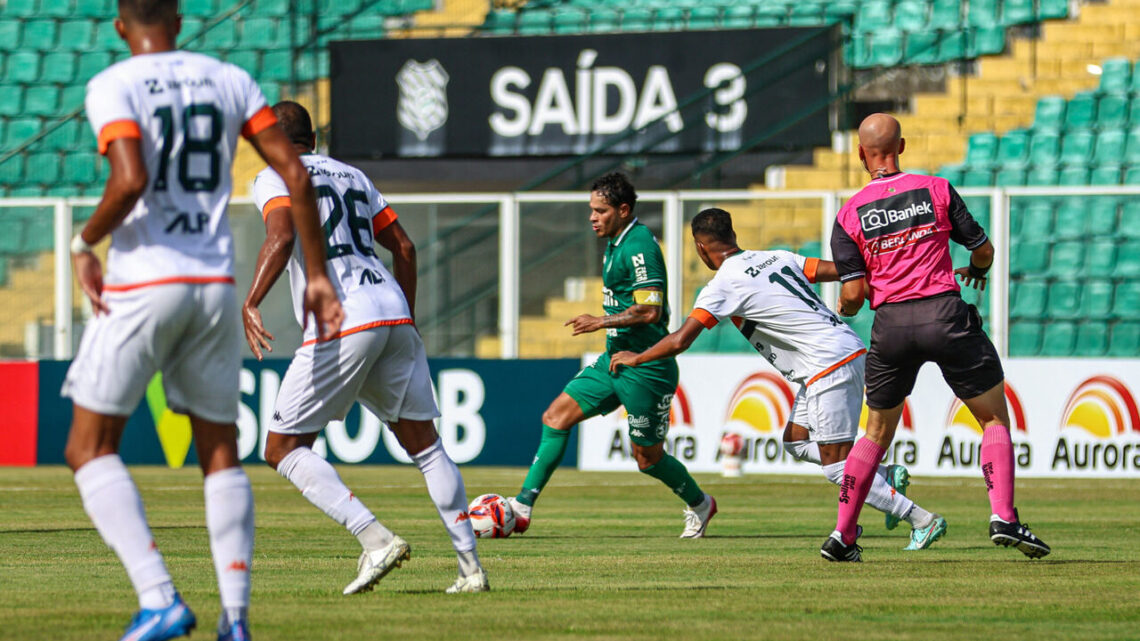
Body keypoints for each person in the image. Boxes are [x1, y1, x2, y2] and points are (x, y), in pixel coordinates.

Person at [61, 2, 344, 640]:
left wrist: (85, 244)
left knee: (88, 445)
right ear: (181, 20)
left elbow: (129, 179)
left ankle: (159, 597)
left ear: (119, 25)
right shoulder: (229, 79)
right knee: (220, 452)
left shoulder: (114, 84)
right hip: (213, 285)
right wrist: (318, 274)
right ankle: (236, 619)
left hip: (145, 281)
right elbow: (294, 172)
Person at [244, 101, 487, 595]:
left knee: (282, 447)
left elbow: (283, 232)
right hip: (391, 307)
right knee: (426, 445)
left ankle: (374, 539)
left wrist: (252, 300)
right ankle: (471, 570)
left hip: (345, 316)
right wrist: (409, 320)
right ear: (313, 137)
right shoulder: (354, 175)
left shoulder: (275, 174)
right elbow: (404, 247)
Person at [609, 208, 946, 550]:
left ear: (699, 247)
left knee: (836, 467)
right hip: (841, 352)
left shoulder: (722, 284)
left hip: (827, 364)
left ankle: (921, 519)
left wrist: (637, 357)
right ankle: (884, 477)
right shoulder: (776, 257)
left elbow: (681, 339)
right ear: (733, 235)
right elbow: (839, 270)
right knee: (796, 441)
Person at [821, 113, 1050, 562]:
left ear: (862, 155)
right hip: (944, 315)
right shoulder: (936, 189)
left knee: (874, 435)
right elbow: (981, 250)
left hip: (890, 327)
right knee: (992, 420)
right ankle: (1003, 516)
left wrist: (847, 308)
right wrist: (979, 271)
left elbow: (852, 293)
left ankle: (842, 536)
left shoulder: (848, 214)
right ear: (901, 147)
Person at [505, 172, 717, 538]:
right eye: (591, 209)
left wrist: (600, 321)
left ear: (622, 209)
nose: (592, 217)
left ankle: (701, 503)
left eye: (600, 210)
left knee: (647, 459)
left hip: (646, 366)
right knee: (555, 417)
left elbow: (650, 310)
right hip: (614, 359)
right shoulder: (616, 242)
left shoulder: (638, 246)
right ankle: (522, 507)